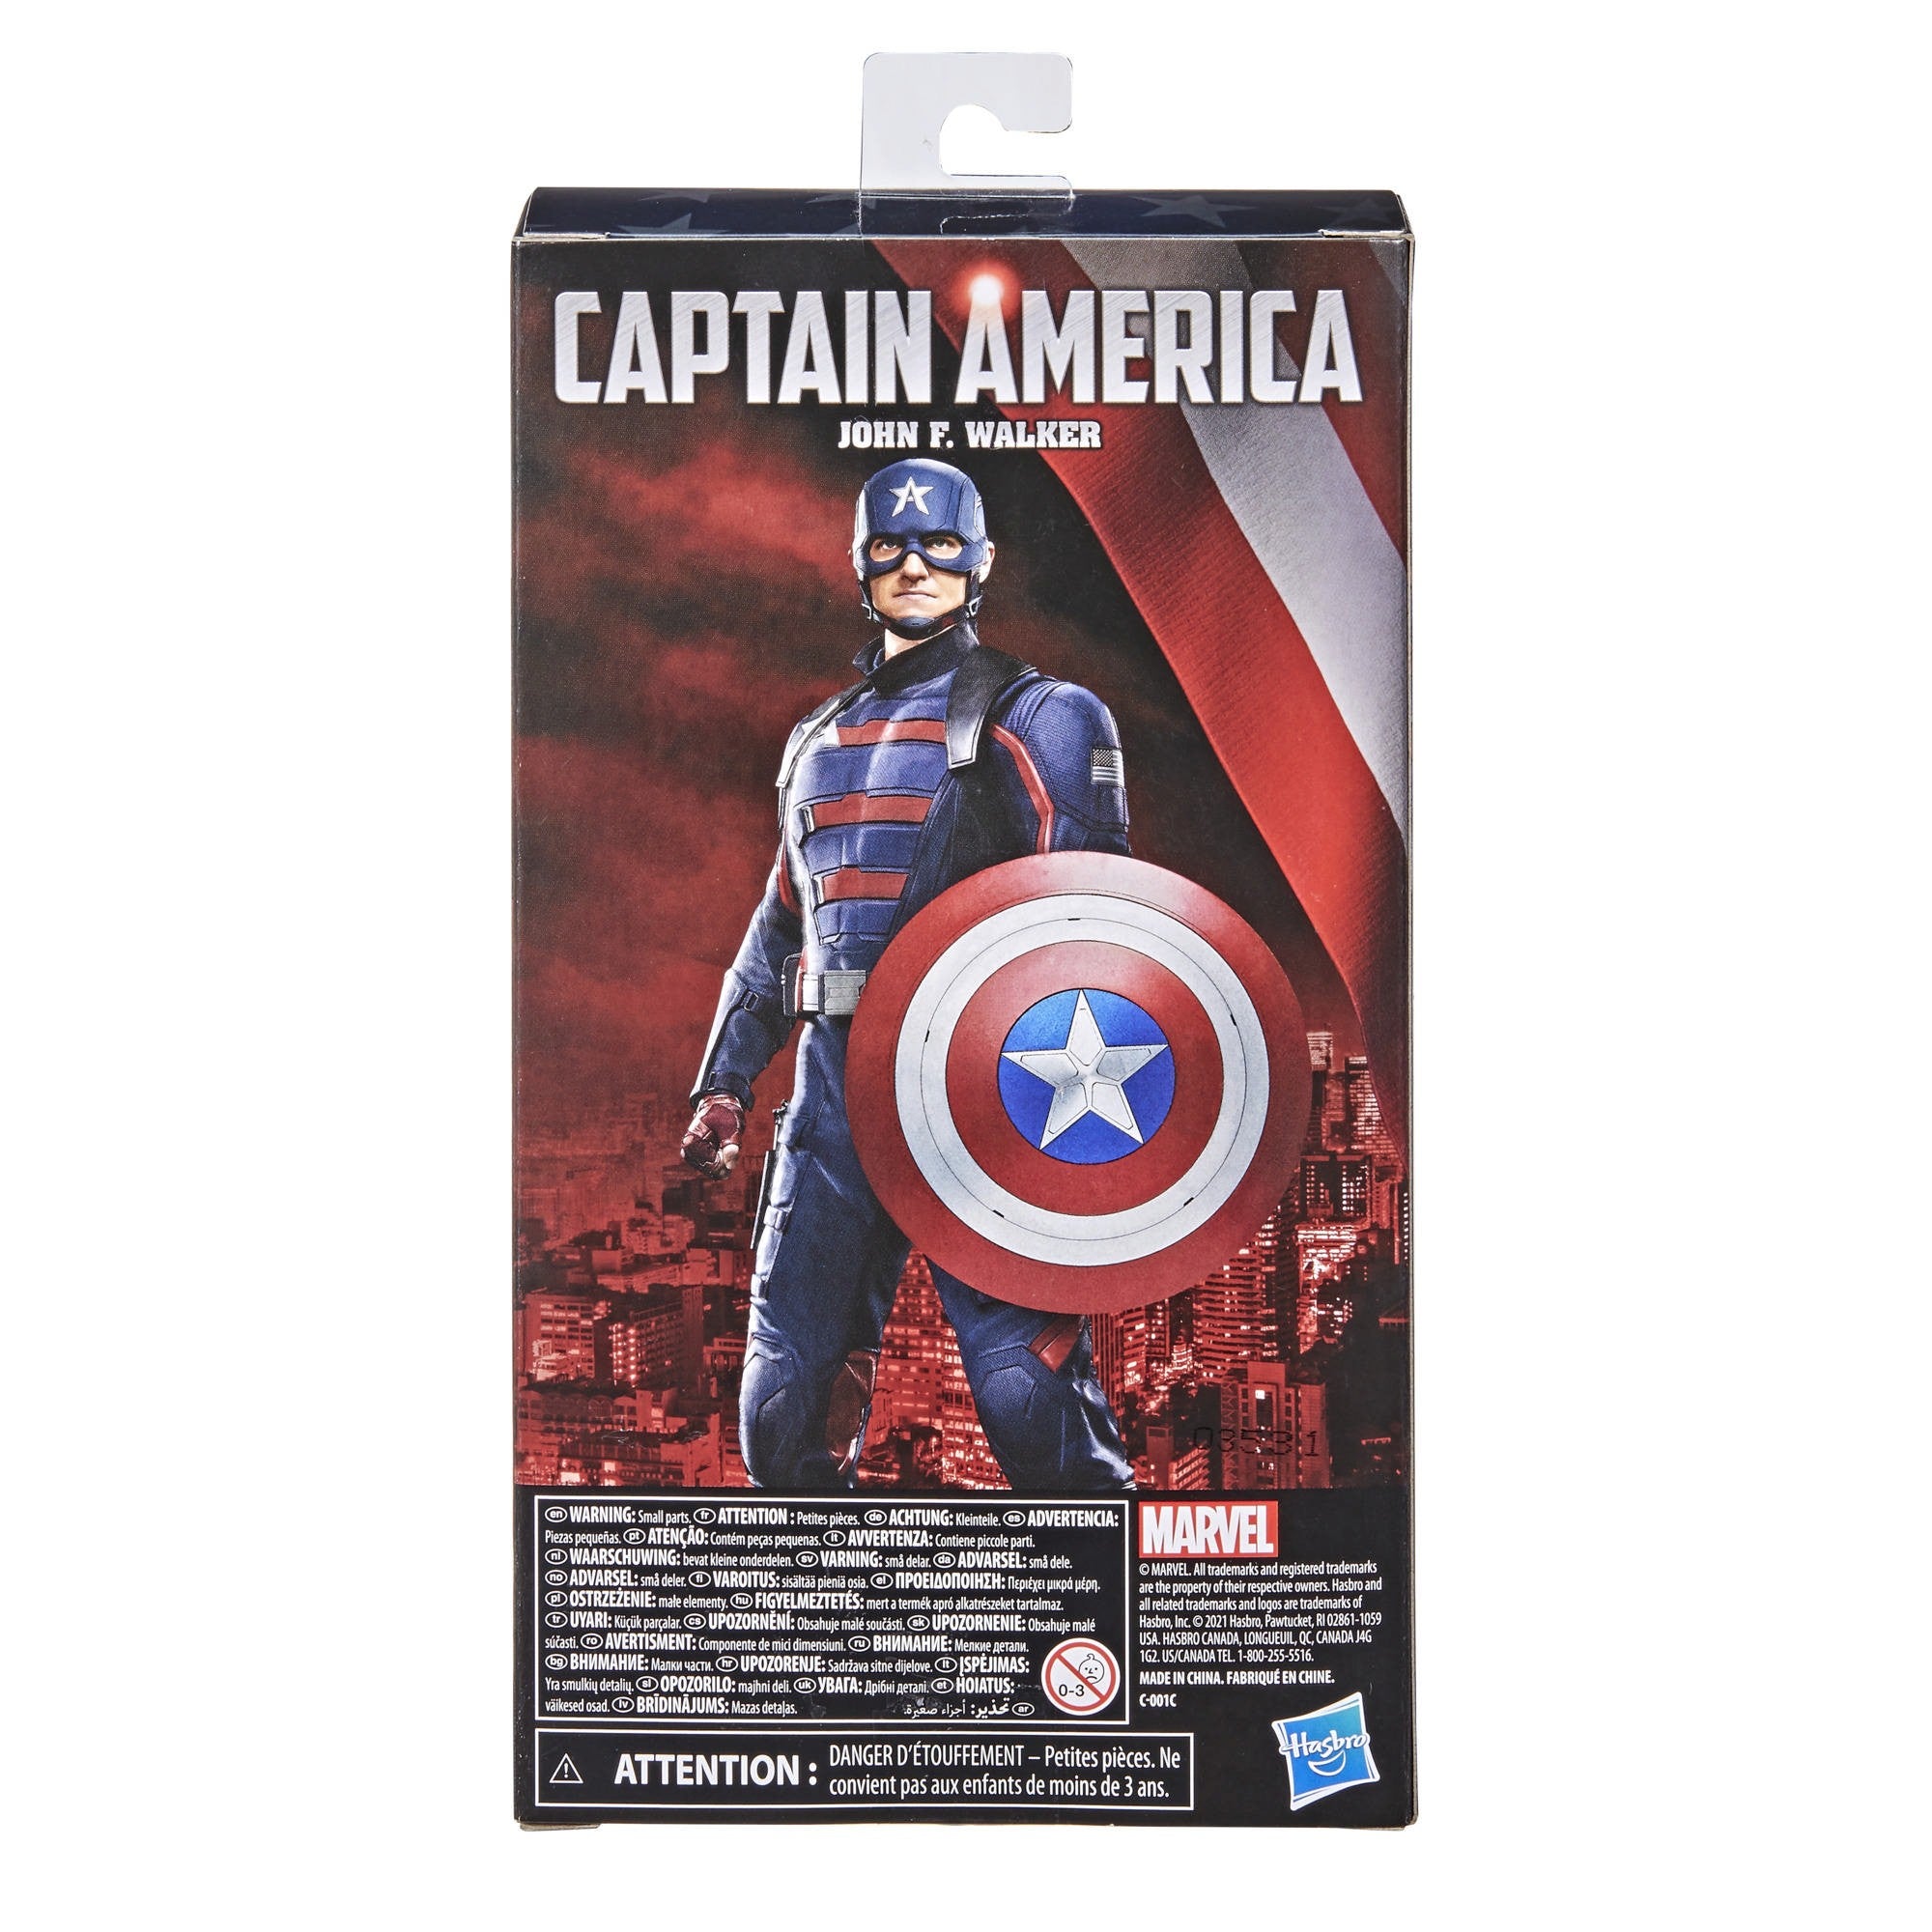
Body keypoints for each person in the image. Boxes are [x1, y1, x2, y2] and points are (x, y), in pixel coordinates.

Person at [681, 459, 1133, 1492]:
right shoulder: (814, 741)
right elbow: (782, 925)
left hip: (972, 1099)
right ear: (860, 561)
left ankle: (1100, 1589)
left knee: (1029, 1403)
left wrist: (1076, 1131)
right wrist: (723, 1083)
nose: (916, 564)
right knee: (779, 1418)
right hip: (832, 1104)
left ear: (980, 561)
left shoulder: (1046, 717)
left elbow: (1095, 928)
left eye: (940, 544)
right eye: (891, 544)